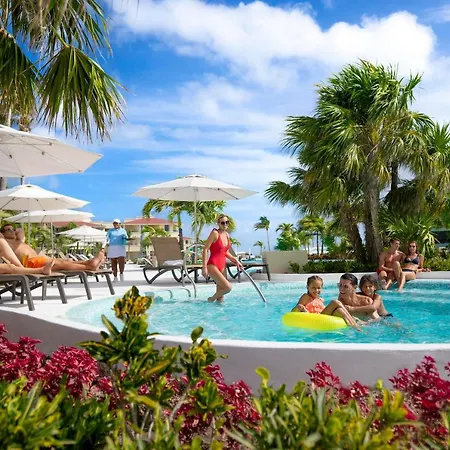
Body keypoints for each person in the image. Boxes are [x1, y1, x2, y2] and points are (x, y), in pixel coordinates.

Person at [0, 224, 104, 271]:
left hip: (38, 259)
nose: (12, 231)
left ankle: (89, 263)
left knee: (66, 262)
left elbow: (21, 230)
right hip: (30, 262)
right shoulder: (5, 242)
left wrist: (12, 230)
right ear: (3, 233)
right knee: (62, 264)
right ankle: (89, 266)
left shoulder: (19, 241)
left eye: (13, 229)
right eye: (9, 230)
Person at [291, 275, 360, 329]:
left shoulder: (320, 300)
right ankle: (355, 325)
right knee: (335, 302)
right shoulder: (306, 296)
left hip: (322, 317)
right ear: (307, 287)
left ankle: (353, 326)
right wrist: (299, 307)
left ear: (322, 288)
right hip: (316, 319)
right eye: (313, 288)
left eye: (318, 288)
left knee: (339, 310)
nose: (316, 290)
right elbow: (293, 311)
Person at [202, 214, 243, 302]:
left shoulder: (227, 235)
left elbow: (225, 252)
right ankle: (210, 299)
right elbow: (205, 249)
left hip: (222, 266)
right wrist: (204, 267)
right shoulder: (215, 233)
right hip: (213, 265)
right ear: (218, 223)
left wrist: (235, 260)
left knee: (221, 296)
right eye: (223, 223)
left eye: (227, 222)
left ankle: (218, 310)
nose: (225, 224)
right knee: (228, 287)